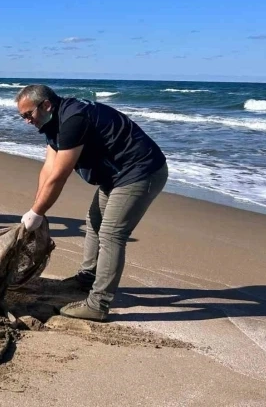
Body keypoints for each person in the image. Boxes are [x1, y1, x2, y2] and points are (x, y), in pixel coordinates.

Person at [16, 84, 168, 321]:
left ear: (45, 105)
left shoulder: (73, 120)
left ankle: (98, 303)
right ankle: (87, 279)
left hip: (141, 171)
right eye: (22, 117)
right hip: (115, 175)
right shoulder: (51, 122)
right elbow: (48, 168)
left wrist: (38, 212)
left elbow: (60, 175)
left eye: (28, 115)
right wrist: (35, 209)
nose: (26, 121)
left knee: (111, 234)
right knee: (94, 221)